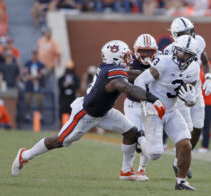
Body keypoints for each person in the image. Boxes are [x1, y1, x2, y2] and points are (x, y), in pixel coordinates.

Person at [11, 40, 165, 182]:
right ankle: (25, 154)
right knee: (60, 141)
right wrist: (152, 99)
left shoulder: (110, 68)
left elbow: (130, 75)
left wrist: (153, 72)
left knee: (132, 132)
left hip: (104, 111)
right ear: (116, 59)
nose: (129, 59)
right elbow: (128, 87)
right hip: (86, 114)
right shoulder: (113, 76)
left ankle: (126, 171)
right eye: (125, 57)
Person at [135, 35, 199, 190]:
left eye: (186, 54)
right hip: (154, 109)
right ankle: (140, 141)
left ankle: (181, 182)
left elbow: (190, 100)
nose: (182, 56)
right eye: (180, 52)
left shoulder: (194, 69)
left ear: (192, 56)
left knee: (186, 145)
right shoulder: (164, 62)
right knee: (155, 154)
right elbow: (140, 81)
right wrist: (149, 102)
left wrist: (191, 99)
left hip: (171, 109)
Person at [163, 17, 211, 179]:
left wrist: (208, 78)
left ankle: (179, 159)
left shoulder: (198, 41)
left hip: (196, 87)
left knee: (198, 127)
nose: (189, 35)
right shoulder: (170, 50)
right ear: (176, 35)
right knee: (186, 129)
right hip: (180, 89)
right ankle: (181, 164)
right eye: (185, 33)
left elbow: (204, 60)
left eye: (190, 31)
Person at [123, 33, 158, 181]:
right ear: (137, 50)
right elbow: (127, 75)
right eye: (143, 51)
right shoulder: (129, 61)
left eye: (150, 51)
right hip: (132, 104)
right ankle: (127, 168)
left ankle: (142, 169)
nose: (147, 54)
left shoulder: (160, 61)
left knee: (147, 138)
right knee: (133, 135)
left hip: (149, 106)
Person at [197, 64, 211, 153]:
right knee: (192, 124)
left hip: (208, 101)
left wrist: (201, 86)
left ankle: (205, 146)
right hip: (197, 101)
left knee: (206, 124)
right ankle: (188, 145)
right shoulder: (196, 68)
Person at [22, 49, 46, 122]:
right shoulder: (28, 63)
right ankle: (27, 115)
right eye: (33, 54)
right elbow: (25, 74)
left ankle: (40, 116)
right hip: (29, 85)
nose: (34, 55)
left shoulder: (41, 64)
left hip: (38, 85)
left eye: (36, 54)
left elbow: (42, 74)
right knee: (27, 101)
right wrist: (33, 78)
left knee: (39, 101)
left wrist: (34, 78)